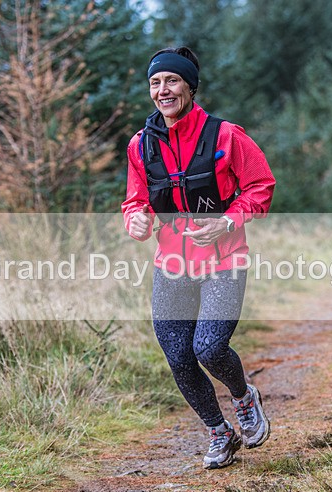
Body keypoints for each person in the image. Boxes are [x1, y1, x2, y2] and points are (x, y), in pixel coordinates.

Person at [121, 46, 276, 469]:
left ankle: (244, 397)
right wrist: (135, 219)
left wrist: (227, 221)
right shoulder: (141, 146)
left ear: (190, 86)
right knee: (178, 356)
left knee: (209, 348)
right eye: (155, 82)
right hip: (171, 265)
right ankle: (219, 432)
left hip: (225, 261)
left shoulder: (227, 136)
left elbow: (261, 186)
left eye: (171, 80)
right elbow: (137, 201)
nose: (162, 90)